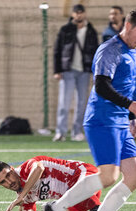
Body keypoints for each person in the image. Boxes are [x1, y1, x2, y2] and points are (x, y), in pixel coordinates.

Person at [44, 9, 136, 211]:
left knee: (134, 177)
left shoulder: (133, 52)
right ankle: (55, 209)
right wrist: (129, 106)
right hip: (102, 120)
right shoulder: (109, 49)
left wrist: (131, 117)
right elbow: (102, 86)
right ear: (127, 26)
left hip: (120, 121)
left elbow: (127, 86)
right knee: (108, 177)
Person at [0, 156, 115, 211]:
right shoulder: (24, 196)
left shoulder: (26, 168)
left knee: (67, 200)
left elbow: (39, 168)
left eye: (8, 175)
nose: (9, 182)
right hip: (79, 198)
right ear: (0, 184)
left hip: (85, 175)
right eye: (3, 181)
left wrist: (21, 196)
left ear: (12, 169)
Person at [52, 4, 99, 142]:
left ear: (85, 14)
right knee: (64, 103)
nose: (79, 15)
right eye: (76, 13)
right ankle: (60, 132)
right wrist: (57, 70)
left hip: (84, 71)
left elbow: (96, 52)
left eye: (81, 12)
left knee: (81, 103)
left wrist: (95, 72)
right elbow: (57, 50)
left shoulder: (91, 31)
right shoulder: (65, 30)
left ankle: (77, 131)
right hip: (68, 70)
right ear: (72, 14)